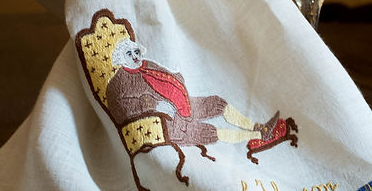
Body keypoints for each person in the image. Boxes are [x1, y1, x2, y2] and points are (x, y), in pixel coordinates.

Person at [106, 37, 279, 146]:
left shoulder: (147, 65)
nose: (135, 56)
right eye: (129, 54)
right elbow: (118, 109)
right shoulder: (119, 82)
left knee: (216, 103)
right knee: (208, 132)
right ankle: (258, 135)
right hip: (168, 123)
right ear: (121, 59)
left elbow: (168, 77)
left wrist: (177, 75)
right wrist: (153, 105)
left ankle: (256, 127)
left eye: (136, 51)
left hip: (184, 105)